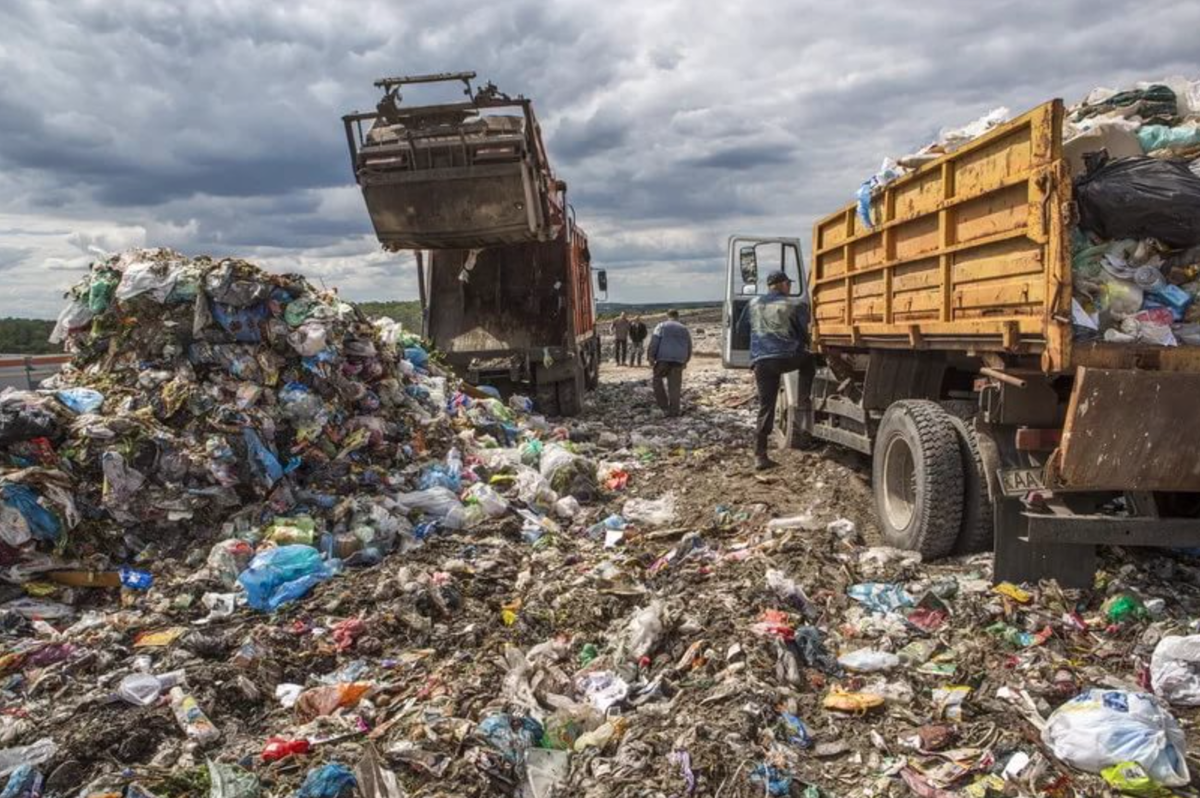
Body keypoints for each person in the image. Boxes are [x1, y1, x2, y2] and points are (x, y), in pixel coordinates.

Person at [737, 270, 815, 470]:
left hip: (762, 362)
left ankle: (760, 455)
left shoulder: (753, 304)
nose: (789, 288)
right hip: (787, 357)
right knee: (809, 361)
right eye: (788, 284)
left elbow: (741, 330)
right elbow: (805, 333)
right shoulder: (794, 305)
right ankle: (803, 398)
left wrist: (756, 348)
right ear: (783, 285)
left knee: (766, 406)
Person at [648, 309, 692, 417]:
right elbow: (689, 346)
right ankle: (674, 411)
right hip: (678, 361)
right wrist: (686, 360)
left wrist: (651, 356)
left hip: (663, 359)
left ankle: (663, 405)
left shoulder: (661, 326)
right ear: (677, 316)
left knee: (657, 379)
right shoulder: (684, 329)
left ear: (667, 316)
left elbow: (654, 342)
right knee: (675, 386)